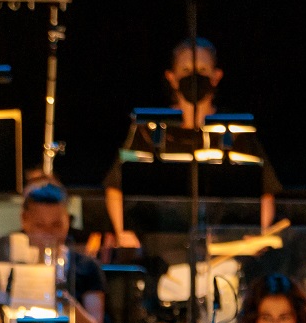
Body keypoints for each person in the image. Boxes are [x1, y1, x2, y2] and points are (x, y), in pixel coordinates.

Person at [103, 37, 281, 244]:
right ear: (171, 78)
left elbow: (265, 191)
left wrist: (258, 235)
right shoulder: (149, 129)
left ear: (216, 76)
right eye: (186, 70)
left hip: (224, 248)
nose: (194, 77)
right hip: (161, 249)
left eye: (202, 70)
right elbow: (115, 186)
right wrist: (123, 234)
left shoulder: (236, 130)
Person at [0, 181, 107, 323]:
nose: (48, 233)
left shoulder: (86, 267)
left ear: (67, 221)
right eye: (40, 225)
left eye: (56, 225)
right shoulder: (3, 263)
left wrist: (62, 297)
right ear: (24, 220)